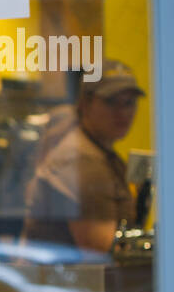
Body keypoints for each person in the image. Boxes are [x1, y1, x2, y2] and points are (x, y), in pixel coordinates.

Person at [21, 64, 145, 255]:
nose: (123, 112)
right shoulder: (82, 160)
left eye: (129, 103)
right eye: (111, 101)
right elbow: (103, 254)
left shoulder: (98, 150)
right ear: (85, 103)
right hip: (65, 281)